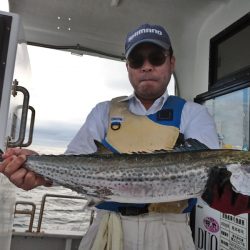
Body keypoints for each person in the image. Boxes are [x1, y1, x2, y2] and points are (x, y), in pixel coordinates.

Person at [0, 23, 220, 250]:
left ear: (171, 62)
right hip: (107, 228)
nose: (146, 67)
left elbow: (214, 179)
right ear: (128, 67)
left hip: (169, 232)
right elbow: (71, 165)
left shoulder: (193, 114)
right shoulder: (103, 112)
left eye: (156, 58)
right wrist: (36, 171)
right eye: (137, 60)